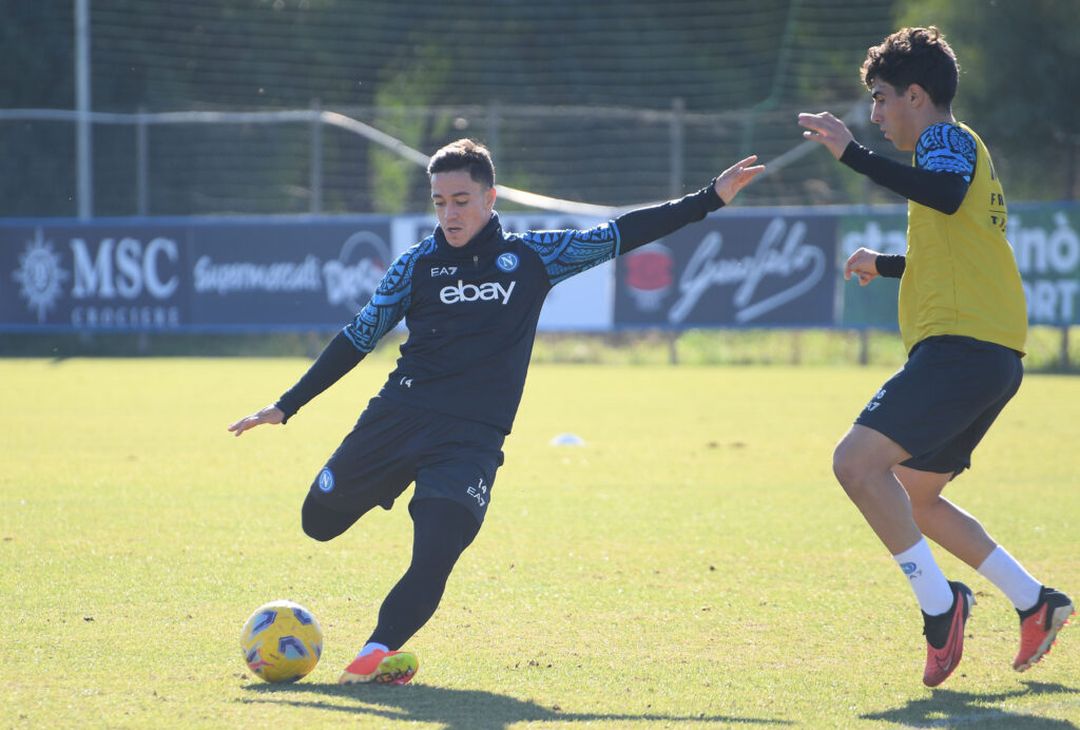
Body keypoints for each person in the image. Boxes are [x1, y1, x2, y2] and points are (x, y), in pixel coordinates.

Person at [228, 139, 764, 685]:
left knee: (436, 553)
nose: (449, 213)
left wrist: (709, 199)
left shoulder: (534, 258)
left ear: (490, 197)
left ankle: (372, 656)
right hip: (398, 418)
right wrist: (286, 405)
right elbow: (359, 335)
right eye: (439, 202)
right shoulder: (416, 265)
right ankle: (381, 510)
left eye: (461, 200)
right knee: (317, 522)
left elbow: (619, 234)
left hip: (472, 442)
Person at [798, 26, 1072, 687]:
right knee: (916, 499)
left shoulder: (944, 140)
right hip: (988, 352)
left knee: (856, 466)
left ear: (916, 96)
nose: (875, 113)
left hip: (963, 348)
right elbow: (955, 239)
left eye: (882, 98)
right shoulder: (953, 151)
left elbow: (944, 196)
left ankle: (939, 605)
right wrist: (887, 264)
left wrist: (852, 154)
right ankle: (1037, 603)